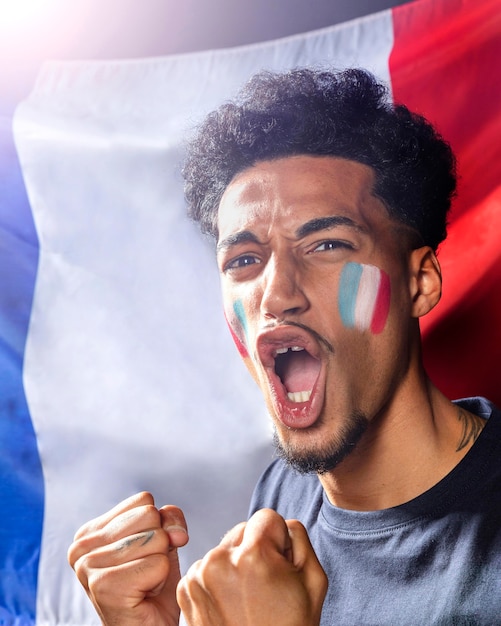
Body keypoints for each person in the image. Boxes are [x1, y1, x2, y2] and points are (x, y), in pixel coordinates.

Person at [68, 68, 501, 625]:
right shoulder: (285, 492)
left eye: (326, 244)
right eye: (244, 260)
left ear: (420, 283)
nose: (275, 292)